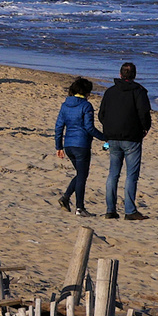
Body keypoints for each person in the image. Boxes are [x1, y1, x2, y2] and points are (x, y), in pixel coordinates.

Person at [98, 62, 153, 220]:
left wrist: (109, 128)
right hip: (130, 137)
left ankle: (111, 209)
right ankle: (128, 210)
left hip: (114, 136)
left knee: (113, 174)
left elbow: (102, 114)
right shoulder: (138, 91)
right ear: (134, 75)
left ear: (121, 74)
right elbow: (144, 113)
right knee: (130, 175)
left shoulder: (111, 92)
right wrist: (145, 128)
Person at [54, 77, 106, 216]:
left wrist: (58, 146)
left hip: (69, 145)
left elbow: (59, 126)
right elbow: (89, 127)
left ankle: (65, 198)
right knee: (82, 176)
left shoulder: (65, 105)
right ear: (86, 92)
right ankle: (79, 208)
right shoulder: (86, 106)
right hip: (81, 145)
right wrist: (104, 137)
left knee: (80, 174)